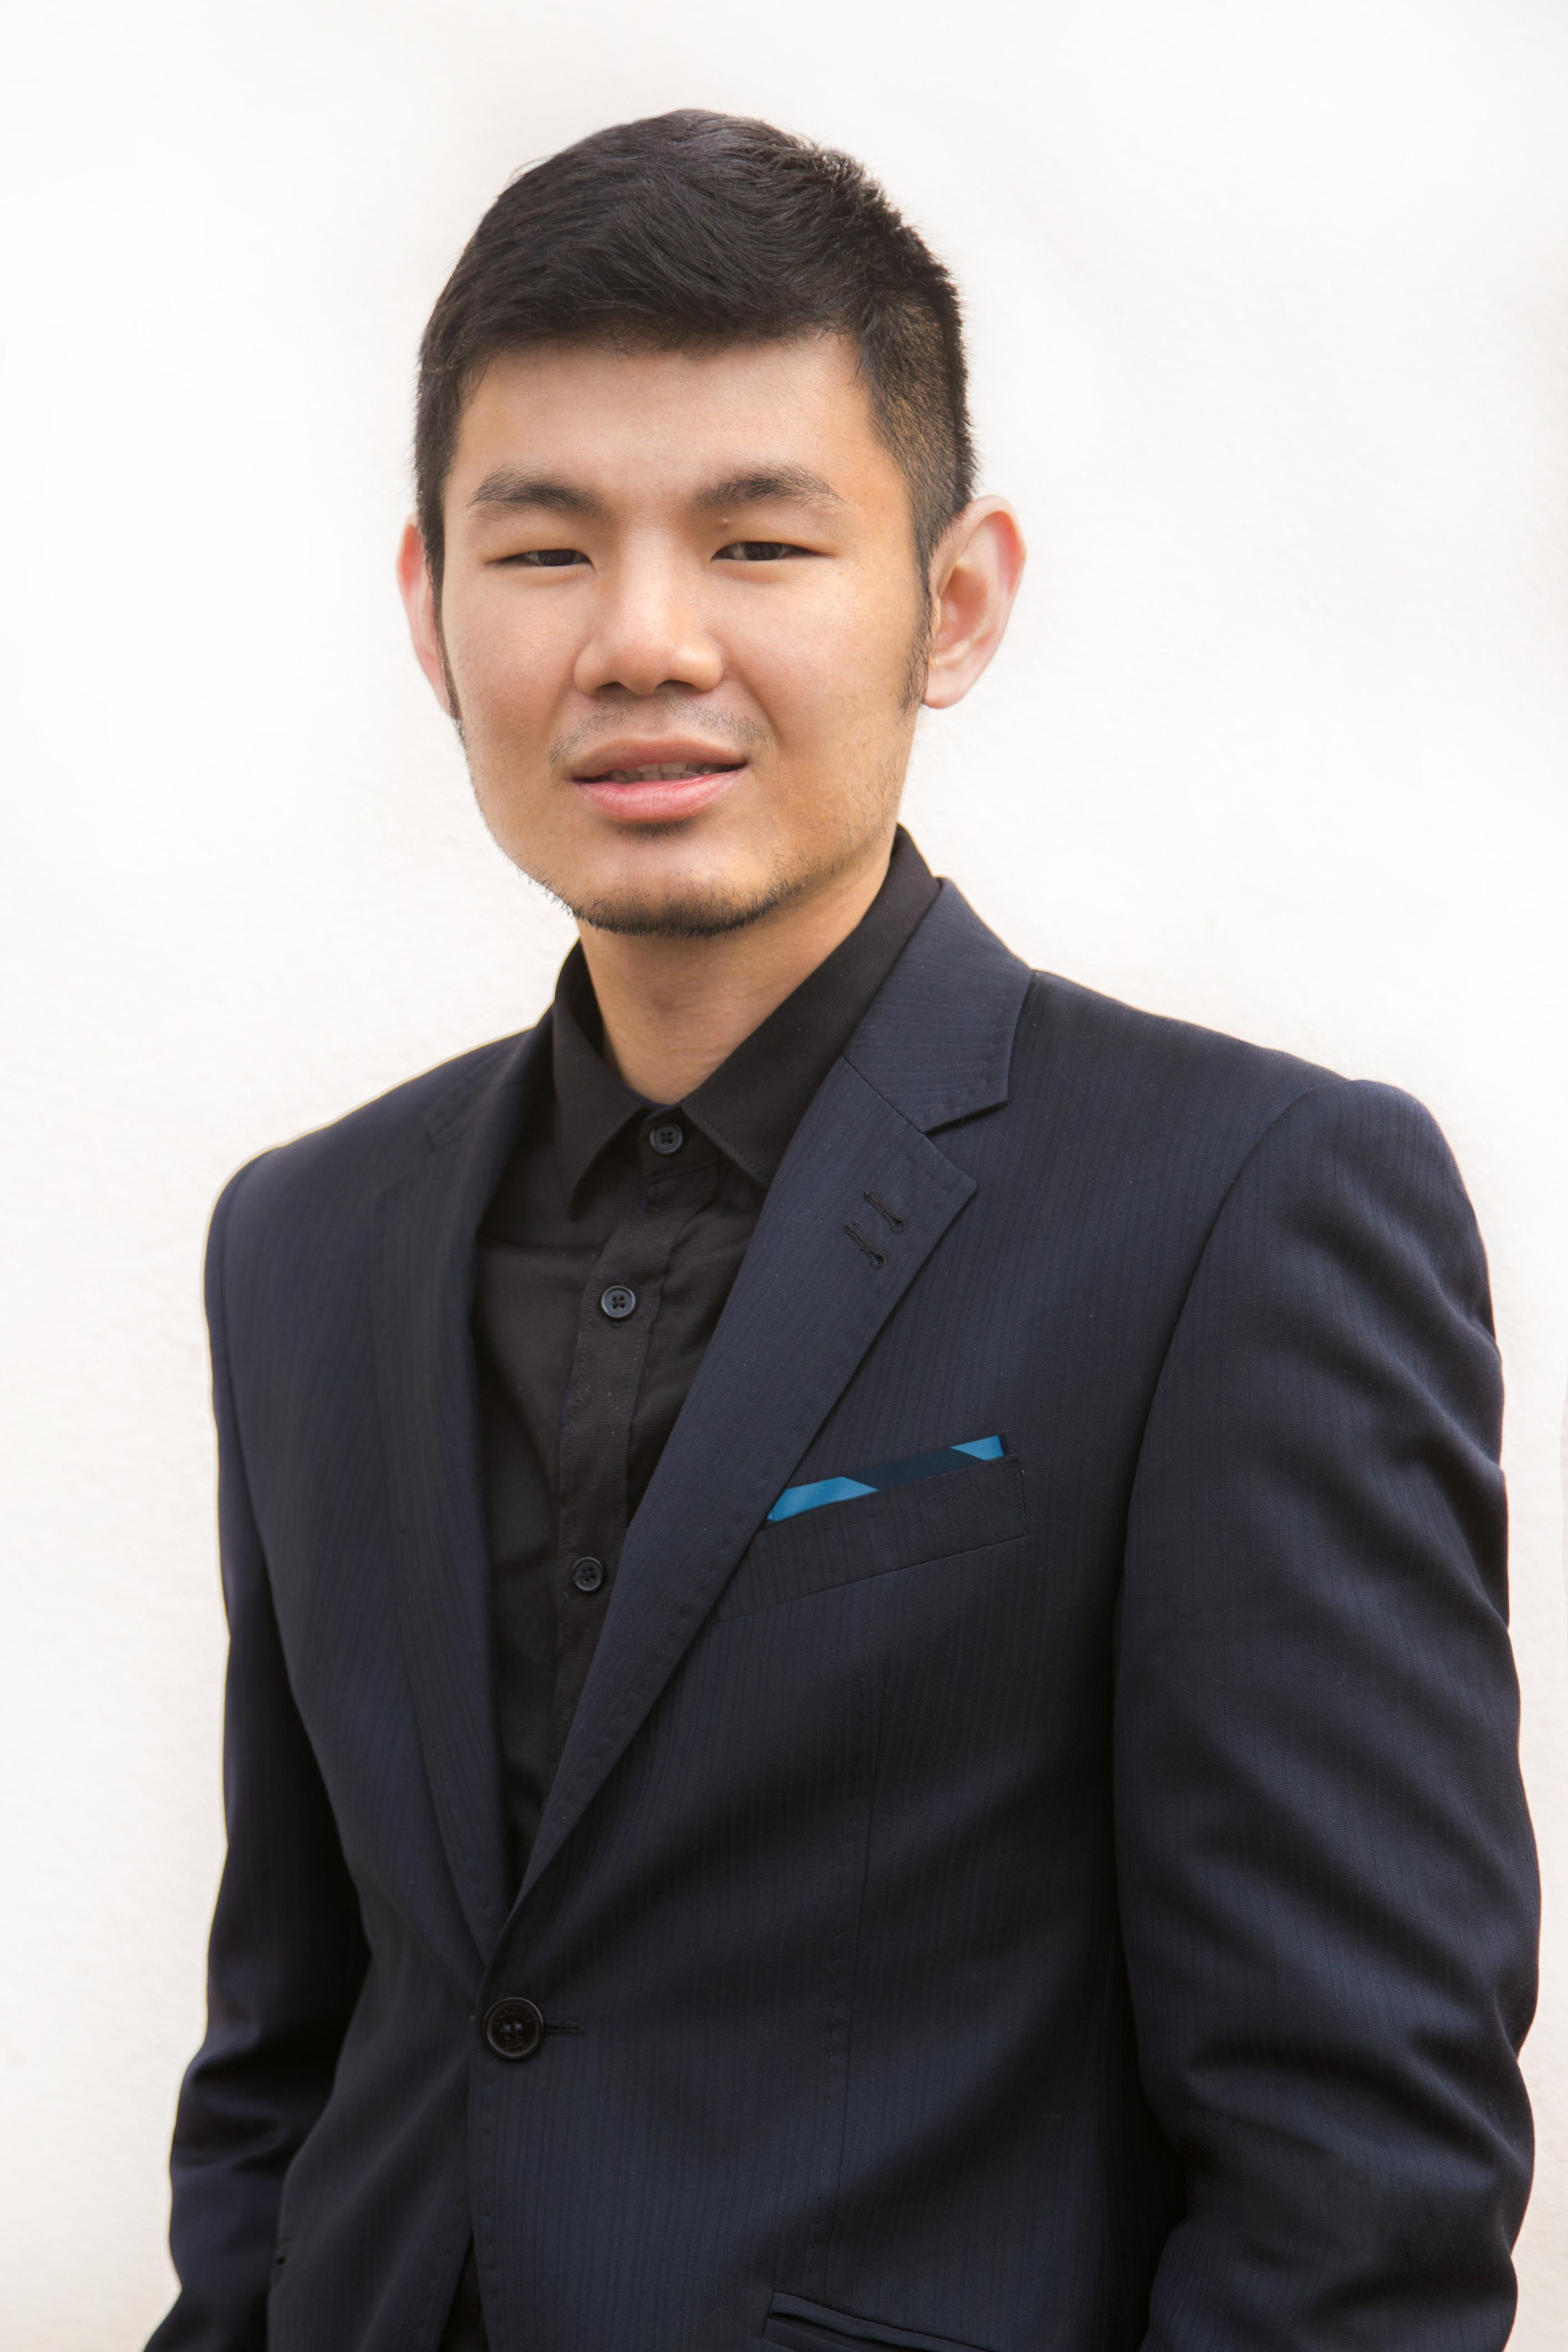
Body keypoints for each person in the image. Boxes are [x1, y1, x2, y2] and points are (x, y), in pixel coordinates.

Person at [147, 109, 1537, 2352]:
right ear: (428, 610)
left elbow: (1357, 2184)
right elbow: (292, 2054)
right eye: (543, 548)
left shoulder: (1242, 1212)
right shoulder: (300, 1242)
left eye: (758, 541)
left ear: (951, 602)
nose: (642, 639)